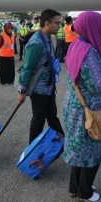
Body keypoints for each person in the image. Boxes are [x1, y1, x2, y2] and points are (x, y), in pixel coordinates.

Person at [63, 11, 101, 202]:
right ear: (92, 28)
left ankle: (75, 187)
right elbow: (99, 85)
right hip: (89, 111)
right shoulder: (89, 51)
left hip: (76, 106)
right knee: (92, 152)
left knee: (79, 150)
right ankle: (84, 193)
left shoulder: (76, 45)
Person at [17, 9, 64, 143]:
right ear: (47, 23)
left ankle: (62, 144)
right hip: (39, 89)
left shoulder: (48, 38)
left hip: (48, 87)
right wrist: (22, 90)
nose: (59, 26)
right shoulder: (36, 43)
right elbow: (27, 68)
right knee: (39, 119)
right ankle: (32, 150)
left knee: (52, 117)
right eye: (57, 23)